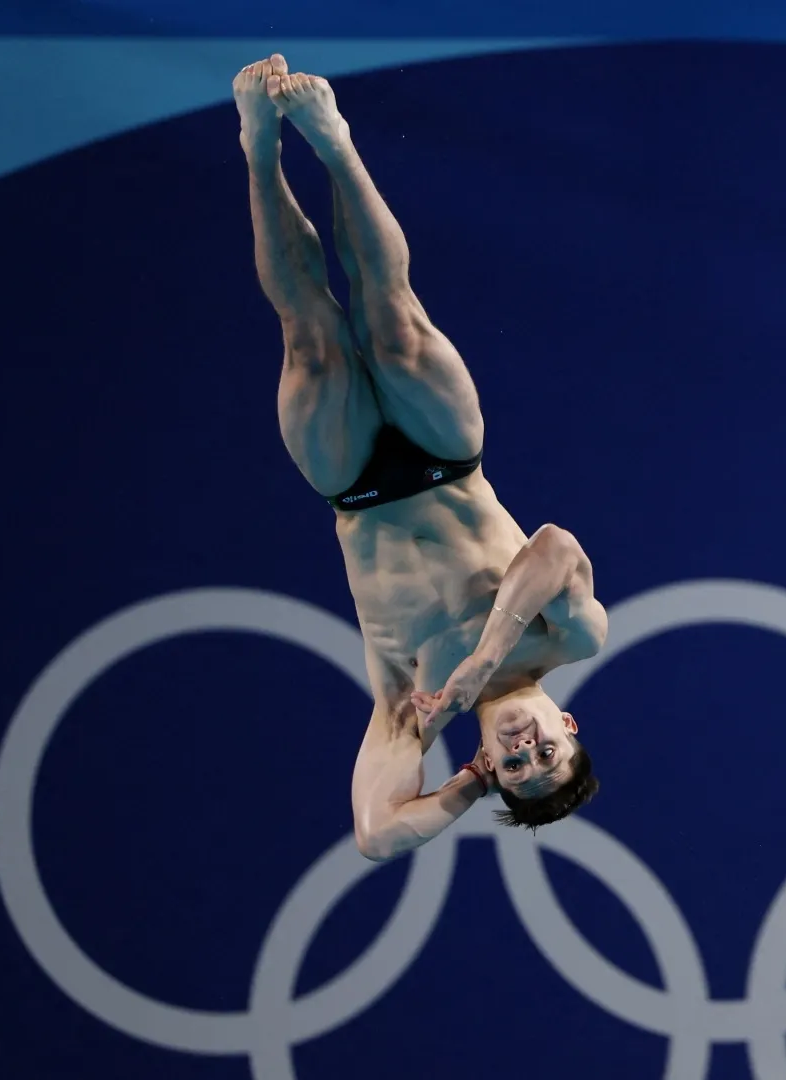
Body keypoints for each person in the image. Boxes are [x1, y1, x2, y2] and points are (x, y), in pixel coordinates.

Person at [232, 54, 606, 858]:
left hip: (353, 485)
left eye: (518, 768)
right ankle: (336, 145)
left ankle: (258, 147)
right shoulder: (570, 641)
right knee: (392, 322)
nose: (526, 749)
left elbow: (375, 837)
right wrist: (484, 659)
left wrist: (466, 781)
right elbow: (555, 547)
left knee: (312, 336)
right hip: (447, 459)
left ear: (493, 767)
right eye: (548, 749)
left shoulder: (409, 713)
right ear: (565, 720)